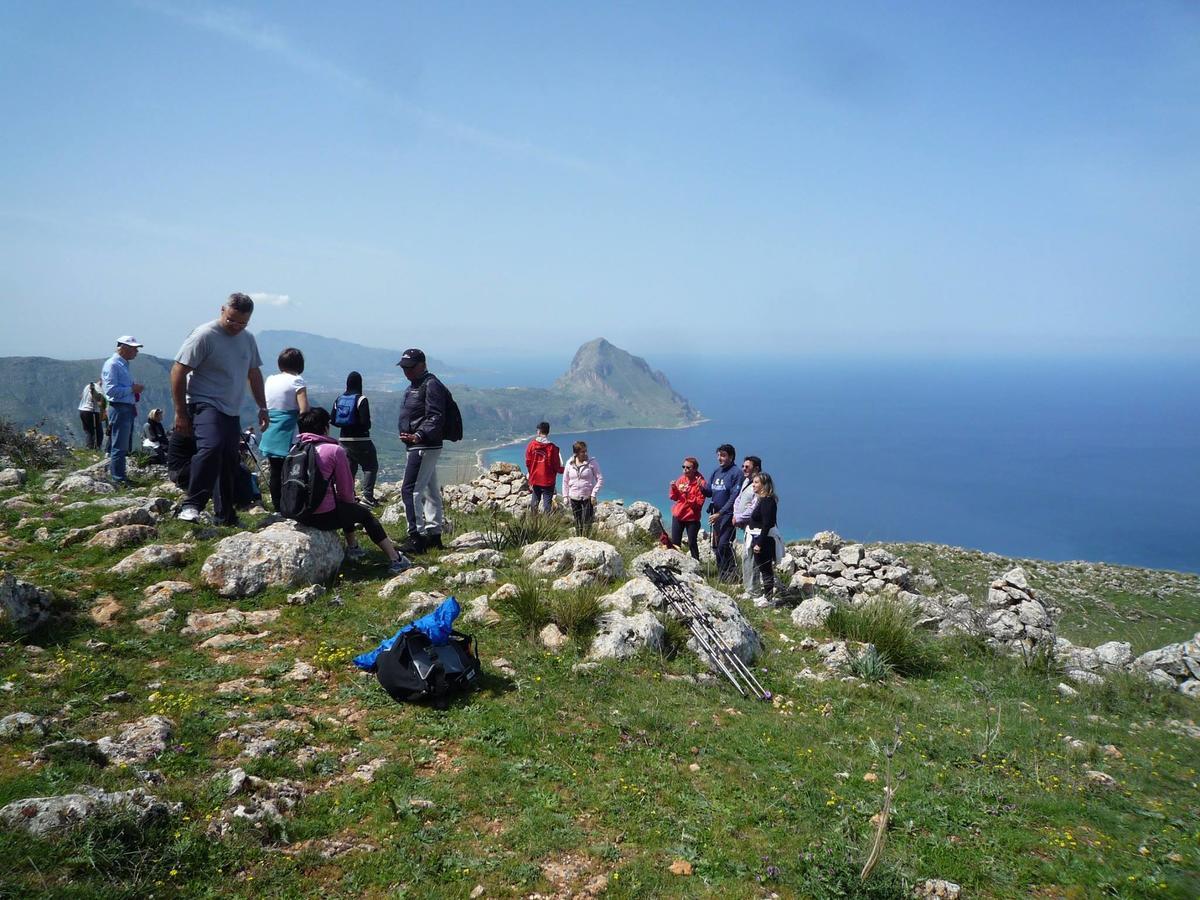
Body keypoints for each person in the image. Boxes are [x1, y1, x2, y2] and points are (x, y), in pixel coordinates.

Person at [171, 293, 269, 526]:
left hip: (230, 409)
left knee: (228, 461)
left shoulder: (247, 339)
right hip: (204, 402)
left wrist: (263, 407)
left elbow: (253, 373)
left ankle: (225, 515)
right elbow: (177, 371)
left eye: (242, 322)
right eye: (231, 320)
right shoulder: (204, 335)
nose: (236, 326)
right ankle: (192, 505)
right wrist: (181, 411)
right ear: (222, 310)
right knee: (211, 447)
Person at [293, 408, 410, 573]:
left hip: (299, 513)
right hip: (322, 516)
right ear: (325, 427)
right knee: (364, 515)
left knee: (345, 507)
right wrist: (350, 505)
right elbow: (346, 491)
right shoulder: (334, 450)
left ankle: (354, 547)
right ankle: (395, 559)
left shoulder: (295, 449)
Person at [396, 349, 448, 553]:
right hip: (422, 444)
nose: (406, 372)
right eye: (403, 368)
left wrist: (418, 435)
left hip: (423, 445)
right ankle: (434, 535)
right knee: (430, 490)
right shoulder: (416, 385)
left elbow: (436, 416)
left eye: (409, 367)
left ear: (422, 365)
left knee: (409, 490)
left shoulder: (430, 384)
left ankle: (415, 537)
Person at [259, 347, 309, 509]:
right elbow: (304, 409)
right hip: (289, 432)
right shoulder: (297, 380)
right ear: (299, 365)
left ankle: (277, 506)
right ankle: (293, 504)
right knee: (294, 470)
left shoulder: (270, 379)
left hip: (271, 430)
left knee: (275, 471)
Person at [101, 336, 145, 487]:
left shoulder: (122, 364)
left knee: (122, 444)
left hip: (126, 407)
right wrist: (132, 389)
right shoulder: (113, 364)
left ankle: (120, 475)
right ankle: (118, 478)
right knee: (119, 445)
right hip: (119, 407)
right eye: (134, 349)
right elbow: (111, 390)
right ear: (123, 348)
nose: (136, 352)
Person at [333, 371, 379, 507]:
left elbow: (333, 419)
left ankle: (349, 496)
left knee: (349, 468)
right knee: (370, 466)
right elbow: (366, 422)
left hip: (343, 439)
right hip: (361, 439)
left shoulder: (339, 399)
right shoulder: (361, 399)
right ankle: (367, 497)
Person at [702, 443, 743, 582]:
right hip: (716, 516)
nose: (720, 458)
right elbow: (709, 492)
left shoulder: (736, 473)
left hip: (728, 516)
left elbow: (734, 496)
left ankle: (732, 574)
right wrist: (700, 486)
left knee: (724, 544)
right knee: (716, 546)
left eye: (723, 455)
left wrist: (721, 513)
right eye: (718, 455)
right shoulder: (716, 471)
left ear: (731, 457)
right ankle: (722, 575)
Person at [748, 472, 782, 602]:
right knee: (762, 568)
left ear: (764, 485)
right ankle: (766, 595)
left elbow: (767, 524)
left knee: (766, 568)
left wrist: (759, 543)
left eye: (756, 482)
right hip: (760, 537)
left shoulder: (768, 501)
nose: (753, 485)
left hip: (764, 539)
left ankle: (768, 598)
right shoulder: (763, 500)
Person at [732, 455, 762, 595]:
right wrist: (736, 515)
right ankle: (747, 588)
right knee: (746, 556)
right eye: (743, 466)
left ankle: (753, 591)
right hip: (746, 527)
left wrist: (739, 517)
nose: (743, 468)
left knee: (753, 559)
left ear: (756, 468)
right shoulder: (746, 482)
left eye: (747, 467)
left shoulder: (760, 485)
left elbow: (753, 508)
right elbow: (738, 499)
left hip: (756, 529)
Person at [668, 456, 708, 561]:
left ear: (695, 469)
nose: (684, 469)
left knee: (692, 543)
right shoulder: (682, 479)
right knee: (675, 543)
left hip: (692, 518)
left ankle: (696, 564)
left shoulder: (701, 483)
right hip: (678, 515)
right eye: (683, 467)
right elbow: (675, 497)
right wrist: (673, 488)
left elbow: (699, 504)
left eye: (688, 468)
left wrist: (687, 495)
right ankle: (675, 563)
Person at [562, 440, 603, 536]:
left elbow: (600, 479)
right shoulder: (569, 463)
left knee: (586, 522)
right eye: (583, 452)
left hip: (587, 497)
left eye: (586, 451)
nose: (585, 453)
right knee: (577, 522)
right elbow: (565, 481)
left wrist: (593, 494)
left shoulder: (592, 463)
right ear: (576, 453)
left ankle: (587, 538)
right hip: (573, 497)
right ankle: (578, 538)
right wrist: (565, 496)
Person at [524, 421, 564, 514]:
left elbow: (528, 462)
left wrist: (531, 474)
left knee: (535, 500)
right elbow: (556, 465)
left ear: (538, 431)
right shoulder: (553, 448)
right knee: (547, 504)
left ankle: (533, 522)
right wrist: (563, 470)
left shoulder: (531, 445)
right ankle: (546, 524)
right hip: (548, 480)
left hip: (535, 478)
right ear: (548, 432)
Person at [77, 380, 106, 450]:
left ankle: (89, 447)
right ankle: (96, 448)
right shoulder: (99, 388)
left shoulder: (87, 386)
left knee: (88, 431)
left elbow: (81, 396)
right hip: (91, 411)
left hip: (82, 410)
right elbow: (100, 401)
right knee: (98, 432)